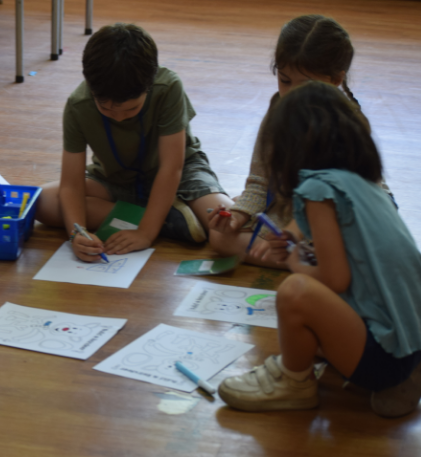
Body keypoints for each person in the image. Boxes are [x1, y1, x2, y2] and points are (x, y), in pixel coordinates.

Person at [217, 81, 421, 418]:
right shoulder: (363, 183)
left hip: (386, 358)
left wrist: (296, 262)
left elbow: (335, 279)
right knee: (309, 303)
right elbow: (354, 263)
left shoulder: (317, 189)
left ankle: (294, 382)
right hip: (410, 342)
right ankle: (398, 376)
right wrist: (301, 246)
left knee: (295, 291)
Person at [35, 23, 231, 262]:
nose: (118, 117)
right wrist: (77, 232)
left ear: (149, 85)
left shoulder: (168, 87)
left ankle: (153, 219)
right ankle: (167, 220)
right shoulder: (78, 105)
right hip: (117, 180)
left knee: (226, 221)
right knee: (41, 201)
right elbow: (71, 184)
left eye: (131, 109)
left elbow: (172, 168)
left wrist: (146, 233)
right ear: (91, 88)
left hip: (182, 175)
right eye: (105, 108)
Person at [208, 14, 392, 267]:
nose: (291, 94)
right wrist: (238, 216)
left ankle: (313, 263)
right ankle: (309, 263)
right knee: (220, 236)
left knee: (352, 250)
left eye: (304, 84)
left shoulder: (347, 125)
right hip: (293, 209)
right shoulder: (278, 110)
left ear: (336, 80)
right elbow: (259, 183)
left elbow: (342, 202)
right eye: (284, 80)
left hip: (343, 212)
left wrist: (292, 235)